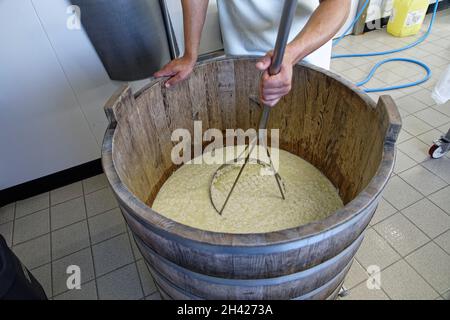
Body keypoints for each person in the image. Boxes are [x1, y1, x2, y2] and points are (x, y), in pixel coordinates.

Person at [155, 0, 351, 107]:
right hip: (240, 52)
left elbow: (338, 3)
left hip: (300, 53)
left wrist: (291, 54)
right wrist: (190, 54)